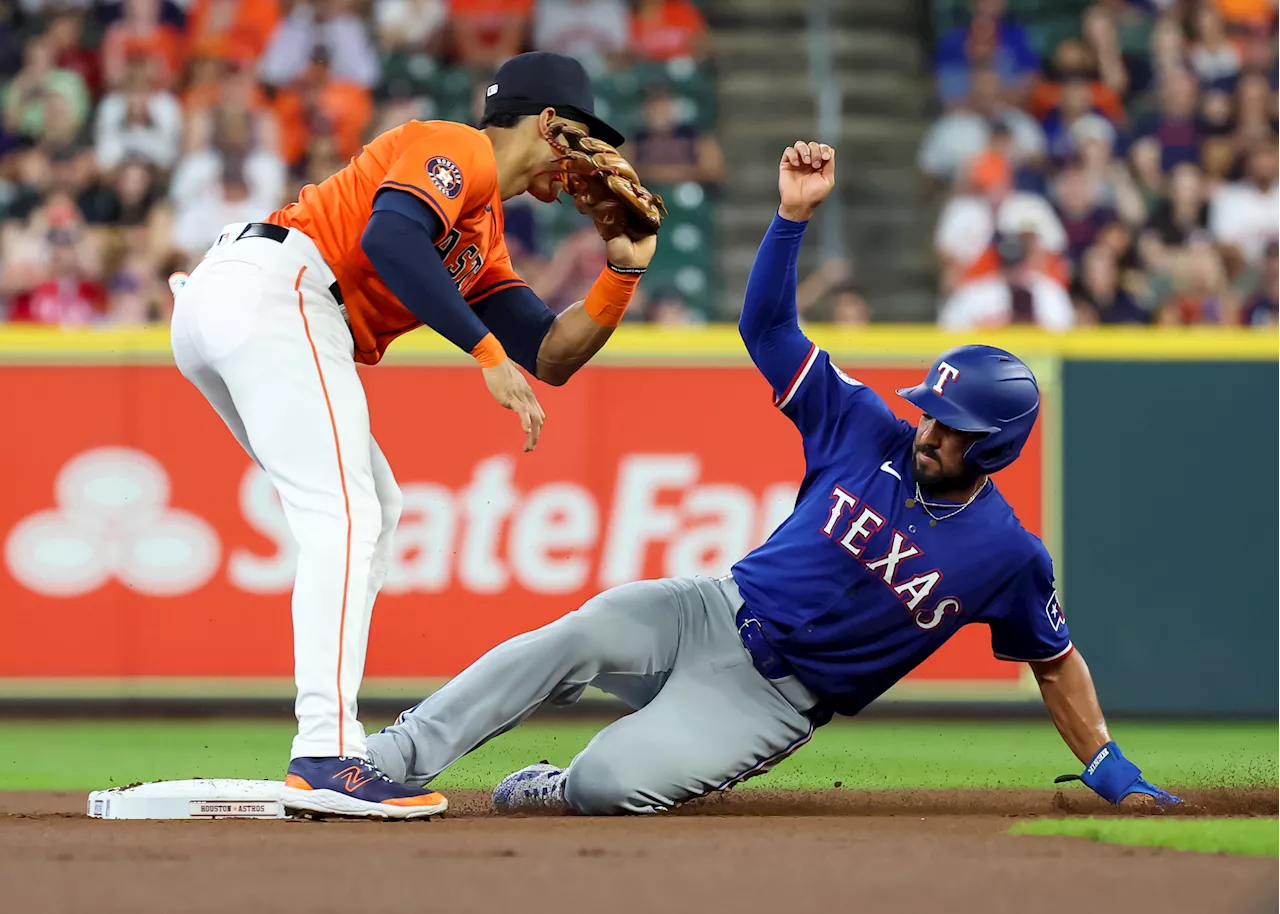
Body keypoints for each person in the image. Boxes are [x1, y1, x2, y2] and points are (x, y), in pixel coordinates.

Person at [366, 140, 1179, 816]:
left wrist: (1105, 762)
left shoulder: (1008, 555)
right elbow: (766, 327)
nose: (929, 429)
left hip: (771, 702)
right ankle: (394, 755)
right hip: (711, 609)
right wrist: (791, 218)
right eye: (931, 411)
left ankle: (567, 789)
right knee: (568, 636)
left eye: (951, 427)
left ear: (995, 448)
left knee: (611, 783)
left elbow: (1054, 657)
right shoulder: (867, 428)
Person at [168, 52, 657, 820]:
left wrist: (620, 275)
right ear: (549, 122)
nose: (590, 162)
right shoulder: (456, 145)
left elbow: (552, 356)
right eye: (583, 137)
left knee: (374, 510)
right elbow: (391, 240)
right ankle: (326, 753)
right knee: (348, 516)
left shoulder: (484, 232)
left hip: (239, 301)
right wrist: (484, 355)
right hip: (276, 289)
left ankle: (333, 744)